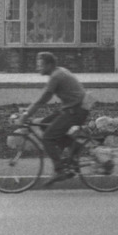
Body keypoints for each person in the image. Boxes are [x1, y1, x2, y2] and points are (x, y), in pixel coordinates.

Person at [18, 52, 89, 183]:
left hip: (76, 110)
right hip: (73, 108)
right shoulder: (58, 72)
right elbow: (42, 97)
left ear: (49, 65)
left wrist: (27, 114)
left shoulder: (56, 76)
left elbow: (43, 99)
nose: (37, 68)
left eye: (40, 65)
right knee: (44, 125)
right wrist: (27, 111)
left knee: (47, 138)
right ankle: (76, 147)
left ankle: (60, 170)